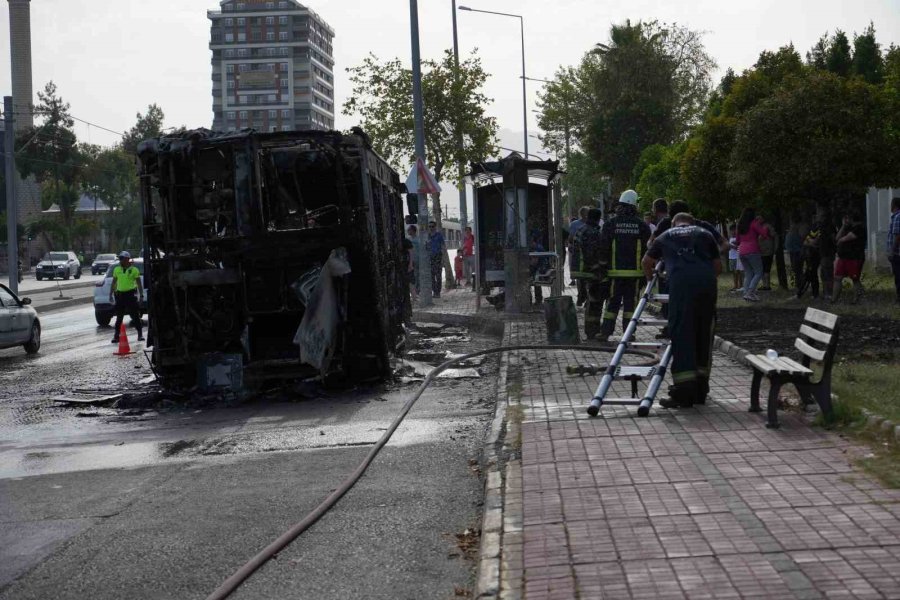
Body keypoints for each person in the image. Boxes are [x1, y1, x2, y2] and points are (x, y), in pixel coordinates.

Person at [642, 213, 722, 408]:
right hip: (706, 287)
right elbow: (718, 266)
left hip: (681, 287)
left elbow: (646, 261)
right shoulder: (705, 234)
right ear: (692, 222)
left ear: (673, 223)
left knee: (682, 334)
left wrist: (651, 278)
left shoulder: (665, 235)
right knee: (704, 333)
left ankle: (684, 392)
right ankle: (700, 390)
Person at [597, 190, 651, 342]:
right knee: (630, 305)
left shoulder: (610, 224)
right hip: (635, 275)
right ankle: (629, 334)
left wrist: (602, 269)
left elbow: (603, 248)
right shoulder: (642, 226)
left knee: (612, 304)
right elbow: (648, 250)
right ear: (634, 205)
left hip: (614, 274)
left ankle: (605, 332)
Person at [570, 208, 605, 339]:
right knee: (595, 301)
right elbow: (590, 254)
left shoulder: (581, 229)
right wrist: (599, 268)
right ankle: (592, 330)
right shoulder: (593, 232)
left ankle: (591, 329)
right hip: (589, 272)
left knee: (591, 300)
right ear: (598, 219)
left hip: (581, 271)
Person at [109, 251, 144, 343]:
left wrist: (141, 295)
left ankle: (140, 334)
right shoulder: (116, 269)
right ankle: (116, 336)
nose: (120, 260)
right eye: (120, 258)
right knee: (119, 317)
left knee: (135, 316)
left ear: (127, 259)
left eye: (122, 258)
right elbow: (114, 282)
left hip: (130, 295)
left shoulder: (134, 270)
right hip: (120, 296)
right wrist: (110, 294)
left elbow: (139, 284)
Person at [735, 208, 768, 302]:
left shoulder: (739, 225)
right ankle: (750, 292)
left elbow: (737, 240)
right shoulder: (754, 223)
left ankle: (746, 294)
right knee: (759, 272)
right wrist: (765, 226)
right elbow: (764, 234)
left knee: (748, 273)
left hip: (741, 251)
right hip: (752, 250)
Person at [832, 212, 866, 304]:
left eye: (847, 218)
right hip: (843, 257)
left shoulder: (859, 228)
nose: (846, 220)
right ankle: (833, 300)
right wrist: (843, 226)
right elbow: (837, 238)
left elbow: (849, 237)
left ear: (851, 219)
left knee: (855, 279)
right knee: (837, 278)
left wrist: (840, 241)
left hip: (854, 258)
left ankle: (857, 299)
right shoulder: (847, 228)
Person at [568, 207, 590, 304]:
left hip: (589, 257)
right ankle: (581, 296)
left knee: (587, 279)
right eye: (585, 213)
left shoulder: (593, 224)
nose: (586, 215)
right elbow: (570, 238)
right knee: (580, 278)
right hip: (578, 255)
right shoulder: (574, 224)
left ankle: (586, 298)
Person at [817, 207, 836, 301]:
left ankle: (829, 293)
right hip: (822, 253)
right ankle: (826, 292)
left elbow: (834, 239)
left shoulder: (829, 226)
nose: (820, 218)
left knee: (827, 274)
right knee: (823, 274)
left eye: (822, 216)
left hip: (827, 253)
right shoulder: (820, 226)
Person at [784, 219, 805, 291]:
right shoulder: (792, 234)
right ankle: (796, 283)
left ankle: (798, 284)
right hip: (794, 252)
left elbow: (800, 243)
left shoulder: (794, 234)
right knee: (795, 269)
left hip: (797, 252)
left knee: (797, 269)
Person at [757, 216, 777, 291]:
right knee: (762, 269)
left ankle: (767, 285)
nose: (758, 220)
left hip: (768, 251)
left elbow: (774, 235)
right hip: (760, 251)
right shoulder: (757, 227)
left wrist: (775, 247)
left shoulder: (768, 226)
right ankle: (764, 285)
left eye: (759, 218)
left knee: (766, 269)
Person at [427, 221, 445, 298]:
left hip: (438, 257)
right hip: (430, 257)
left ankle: (438, 292)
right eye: (430, 226)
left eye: (432, 226)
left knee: (438, 275)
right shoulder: (427, 236)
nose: (431, 228)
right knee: (431, 276)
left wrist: (443, 259)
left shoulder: (439, 235)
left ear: (435, 227)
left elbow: (443, 247)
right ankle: (434, 291)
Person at [889, 198, 900, 304]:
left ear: (894, 205)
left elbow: (897, 236)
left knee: (898, 275)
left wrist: (892, 251)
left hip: (897, 253)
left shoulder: (897, 217)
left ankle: (899, 298)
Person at [728, 226, 744, 291]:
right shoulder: (730, 238)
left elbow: (738, 247)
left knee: (738, 272)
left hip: (737, 257)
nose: (733, 232)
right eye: (731, 230)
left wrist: (731, 245)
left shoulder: (738, 238)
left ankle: (741, 285)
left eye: (734, 230)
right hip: (731, 257)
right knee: (734, 273)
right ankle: (735, 286)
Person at [405, 225, 418, 303]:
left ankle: (414, 296)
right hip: (410, 262)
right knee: (411, 280)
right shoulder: (408, 239)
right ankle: (414, 295)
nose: (408, 231)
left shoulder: (418, 239)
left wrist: (410, 264)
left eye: (409, 230)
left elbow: (411, 252)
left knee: (413, 280)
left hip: (414, 262)